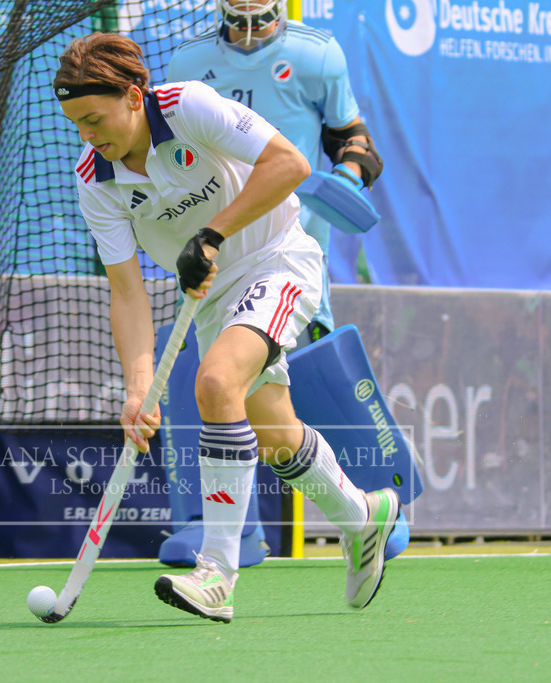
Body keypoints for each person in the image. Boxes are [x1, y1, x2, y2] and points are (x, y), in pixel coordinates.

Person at [53, 32, 400, 623]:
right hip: (212, 297)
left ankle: (217, 573)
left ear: (134, 97)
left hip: (276, 259)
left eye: (94, 118)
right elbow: (127, 291)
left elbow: (287, 164)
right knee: (277, 436)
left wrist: (211, 233)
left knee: (215, 384)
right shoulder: (96, 179)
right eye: (77, 124)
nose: (89, 135)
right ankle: (363, 516)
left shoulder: (189, 106)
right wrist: (138, 385)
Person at [160, 0, 408, 568]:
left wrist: (345, 175)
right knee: (209, 383)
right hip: (218, 255)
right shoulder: (190, 63)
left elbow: (355, 140)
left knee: (315, 382)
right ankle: (226, 531)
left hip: (290, 250)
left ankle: (376, 506)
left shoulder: (315, 55)